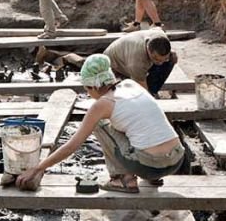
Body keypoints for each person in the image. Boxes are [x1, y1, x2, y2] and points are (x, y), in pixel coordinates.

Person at [16, 54, 186, 193]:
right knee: (133, 124)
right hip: (177, 158)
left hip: (150, 165)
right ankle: (151, 179)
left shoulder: (102, 105)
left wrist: (38, 169)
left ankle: (123, 180)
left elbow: (71, 146)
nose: (88, 94)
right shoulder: (131, 84)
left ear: (93, 86)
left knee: (99, 124)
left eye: (87, 89)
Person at [102, 28, 176, 95]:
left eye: (164, 58)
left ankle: (153, 90)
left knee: (173, 58)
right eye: (156, 59)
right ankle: (151, 92)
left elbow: (157, 28)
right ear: (148, 49)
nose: (160, 63)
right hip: (115, 66)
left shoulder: (162, 36)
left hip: (129, 54)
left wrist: (166, 59)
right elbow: (142, 88)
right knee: (141, 93)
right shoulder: (137, 61)